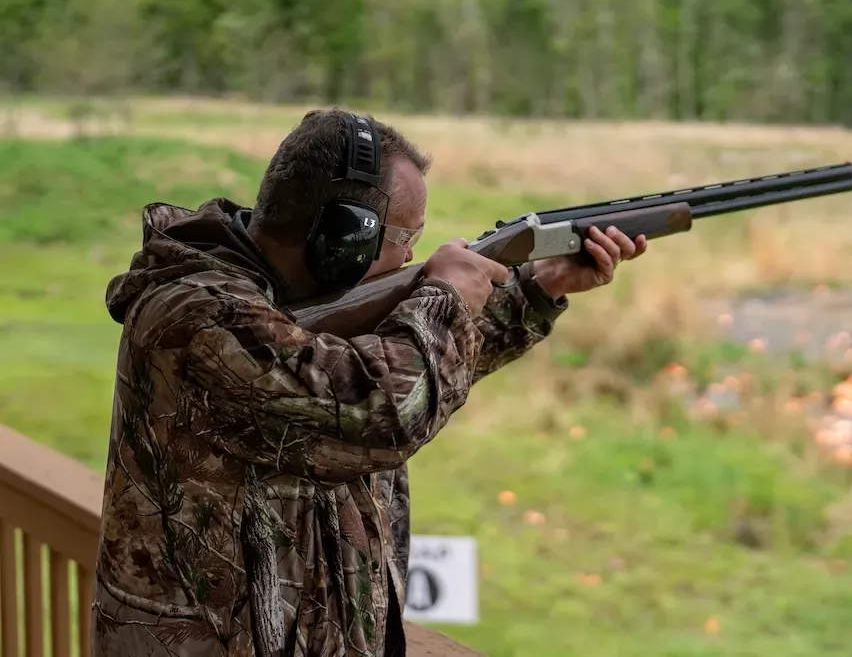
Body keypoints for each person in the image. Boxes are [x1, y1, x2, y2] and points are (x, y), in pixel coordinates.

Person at [92, 108, 648, 657]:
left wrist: (537, 288)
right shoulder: (201, 315)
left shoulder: (282, 305)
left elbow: (410, 372)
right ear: (344, 236)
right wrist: (445, 297)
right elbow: (386, 408)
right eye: (406, 235)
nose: (412, 255)